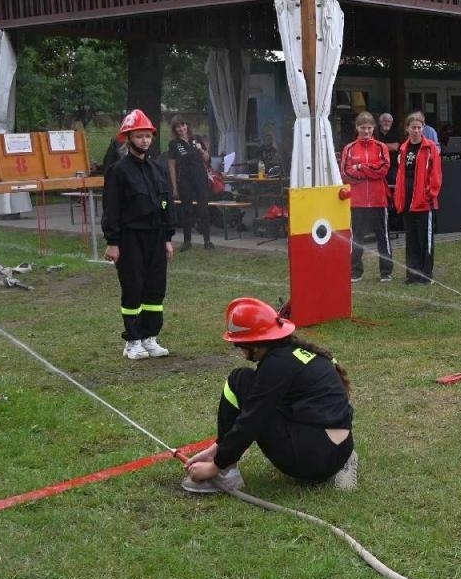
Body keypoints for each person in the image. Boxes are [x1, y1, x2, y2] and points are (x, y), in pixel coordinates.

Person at [181, 297, 357, 493]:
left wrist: (215, 465)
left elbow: (251, 420)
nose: (239, 351)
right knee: (252, 389)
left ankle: (225, 473)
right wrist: (216, 449)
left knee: (239, 380)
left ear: (253, 344)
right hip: (339, 452)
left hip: (310, 462)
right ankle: (344, 464)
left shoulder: (275, 365)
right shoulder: (297, 355)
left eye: (238, 345)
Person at [102, 109, 176, 361]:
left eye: (147, 136)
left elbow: (167, 204)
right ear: (128, 138)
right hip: (129, 238)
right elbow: (111, 208)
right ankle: (132, 341)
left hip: (156, 237)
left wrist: (167, 238)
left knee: (155, 290)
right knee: (133, 288)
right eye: (139, 136)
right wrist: (113, 242)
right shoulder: (118, 171)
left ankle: (150, 338)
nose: (144, 140)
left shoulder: (157, 168)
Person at [340, 112, 393, 283]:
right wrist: (370, 171)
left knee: (383, 237)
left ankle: (386, 272)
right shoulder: (349, 148)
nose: (366, 131)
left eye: (369, 128)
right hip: (357, 201)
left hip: (379, 199)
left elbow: (383, 170)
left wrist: (361, 167)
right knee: (357, 237)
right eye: (363, 128)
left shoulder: (381, 147)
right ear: (357, 128)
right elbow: (346, 174)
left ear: (373, 128)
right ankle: (356, 271)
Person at [393, 112, 442, 284]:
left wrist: (430, 193)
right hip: (407, 201)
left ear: (423, 128)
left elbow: (436, 175)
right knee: (411, 238)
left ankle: (426, 274)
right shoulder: (403, 148)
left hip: (423, 202)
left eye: (419, 127)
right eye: (412, 127)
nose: (416, 130)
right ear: (407, 129)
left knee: (424, 239)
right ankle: (412, 273)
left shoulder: (430, 148)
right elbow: (401, 173)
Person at [166, 117, 213, 252]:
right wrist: (174, 187)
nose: (182, 129)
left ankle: (207, 240)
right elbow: (171, 166)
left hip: (200, 178)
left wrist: (201, 150)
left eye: (183, 125)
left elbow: (207, 159)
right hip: (184, 180)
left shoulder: (196, 139)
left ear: (187, 125)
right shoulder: (174, 144)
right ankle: (187, 241)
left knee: (203, 209)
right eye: (178, 127)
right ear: (175, 130)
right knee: (187, 210)